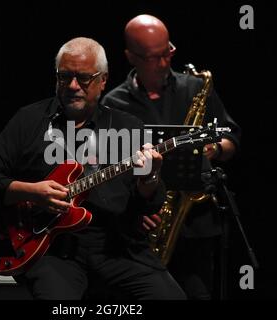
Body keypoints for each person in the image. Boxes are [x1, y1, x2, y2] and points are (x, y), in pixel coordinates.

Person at [0, 37, 186, 300]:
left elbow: (147, 207)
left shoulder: (127, 126)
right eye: (65, 77)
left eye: (84, 78)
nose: (73, 86)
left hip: (116, 248)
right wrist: (30, 191)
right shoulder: (29, 120)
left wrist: (151, 176)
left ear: (103, 80)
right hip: (52, 250)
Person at [102, 15, 241, 300]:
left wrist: (215, 149)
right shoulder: (112, 105)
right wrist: (134, 209)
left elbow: (232, 138)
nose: (165, 62)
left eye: (168, 52)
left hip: (197, 226)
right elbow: (107, 173)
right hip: (143, 231)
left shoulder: (195, 88)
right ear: (131, 57)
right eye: (155, 57)